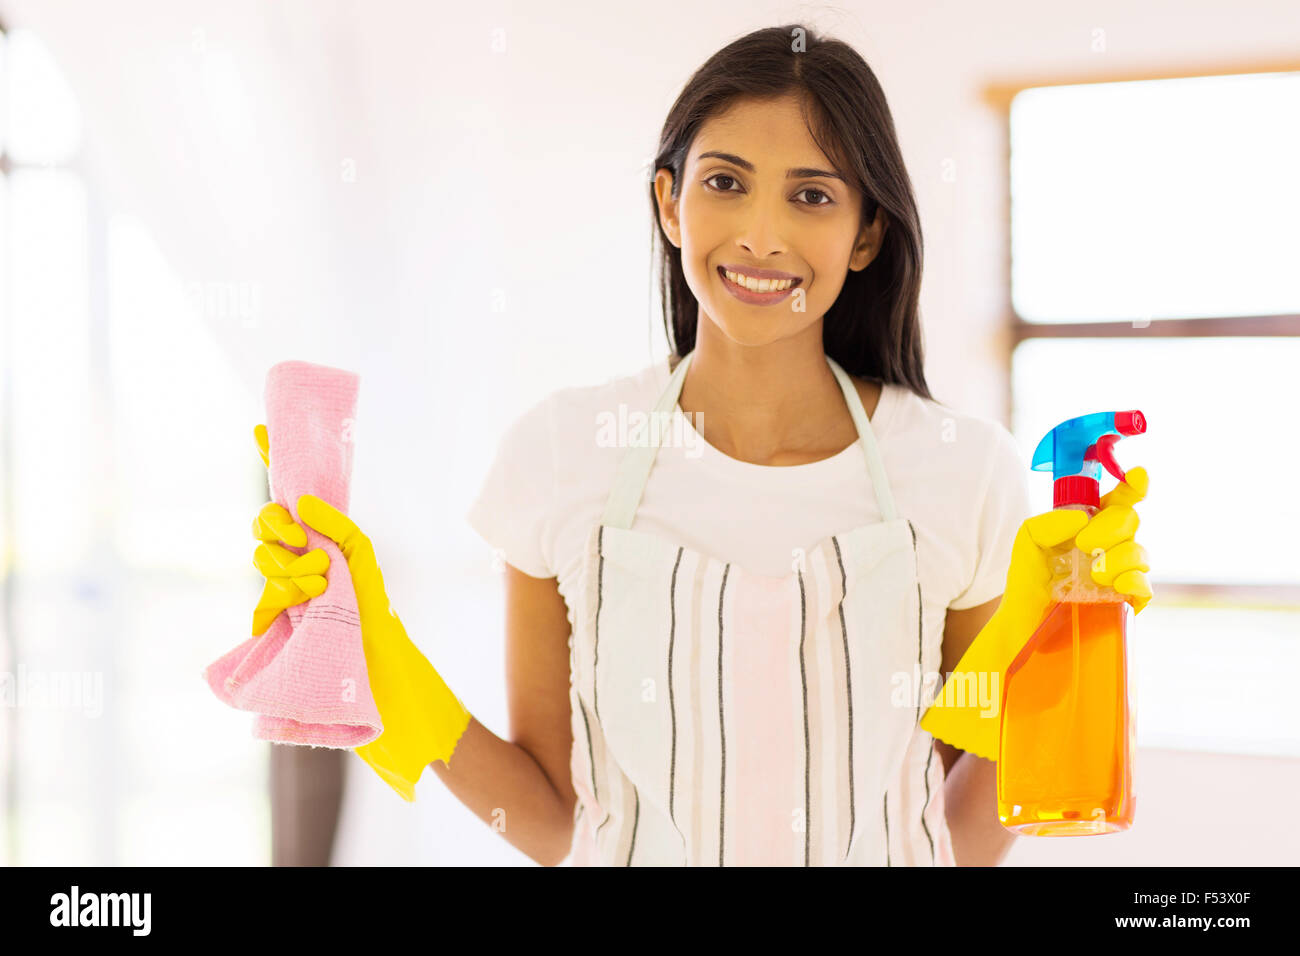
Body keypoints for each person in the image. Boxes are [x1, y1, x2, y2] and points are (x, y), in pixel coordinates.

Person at [253, 23, 1150, 866]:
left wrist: (1055, 646)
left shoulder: (962, 470)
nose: (762, 235)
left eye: (811, 195)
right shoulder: (563, 454)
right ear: (670, 202)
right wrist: (375, 652)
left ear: (867, 232)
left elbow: (958, 822)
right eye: (725, 182)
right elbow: (550, 816)